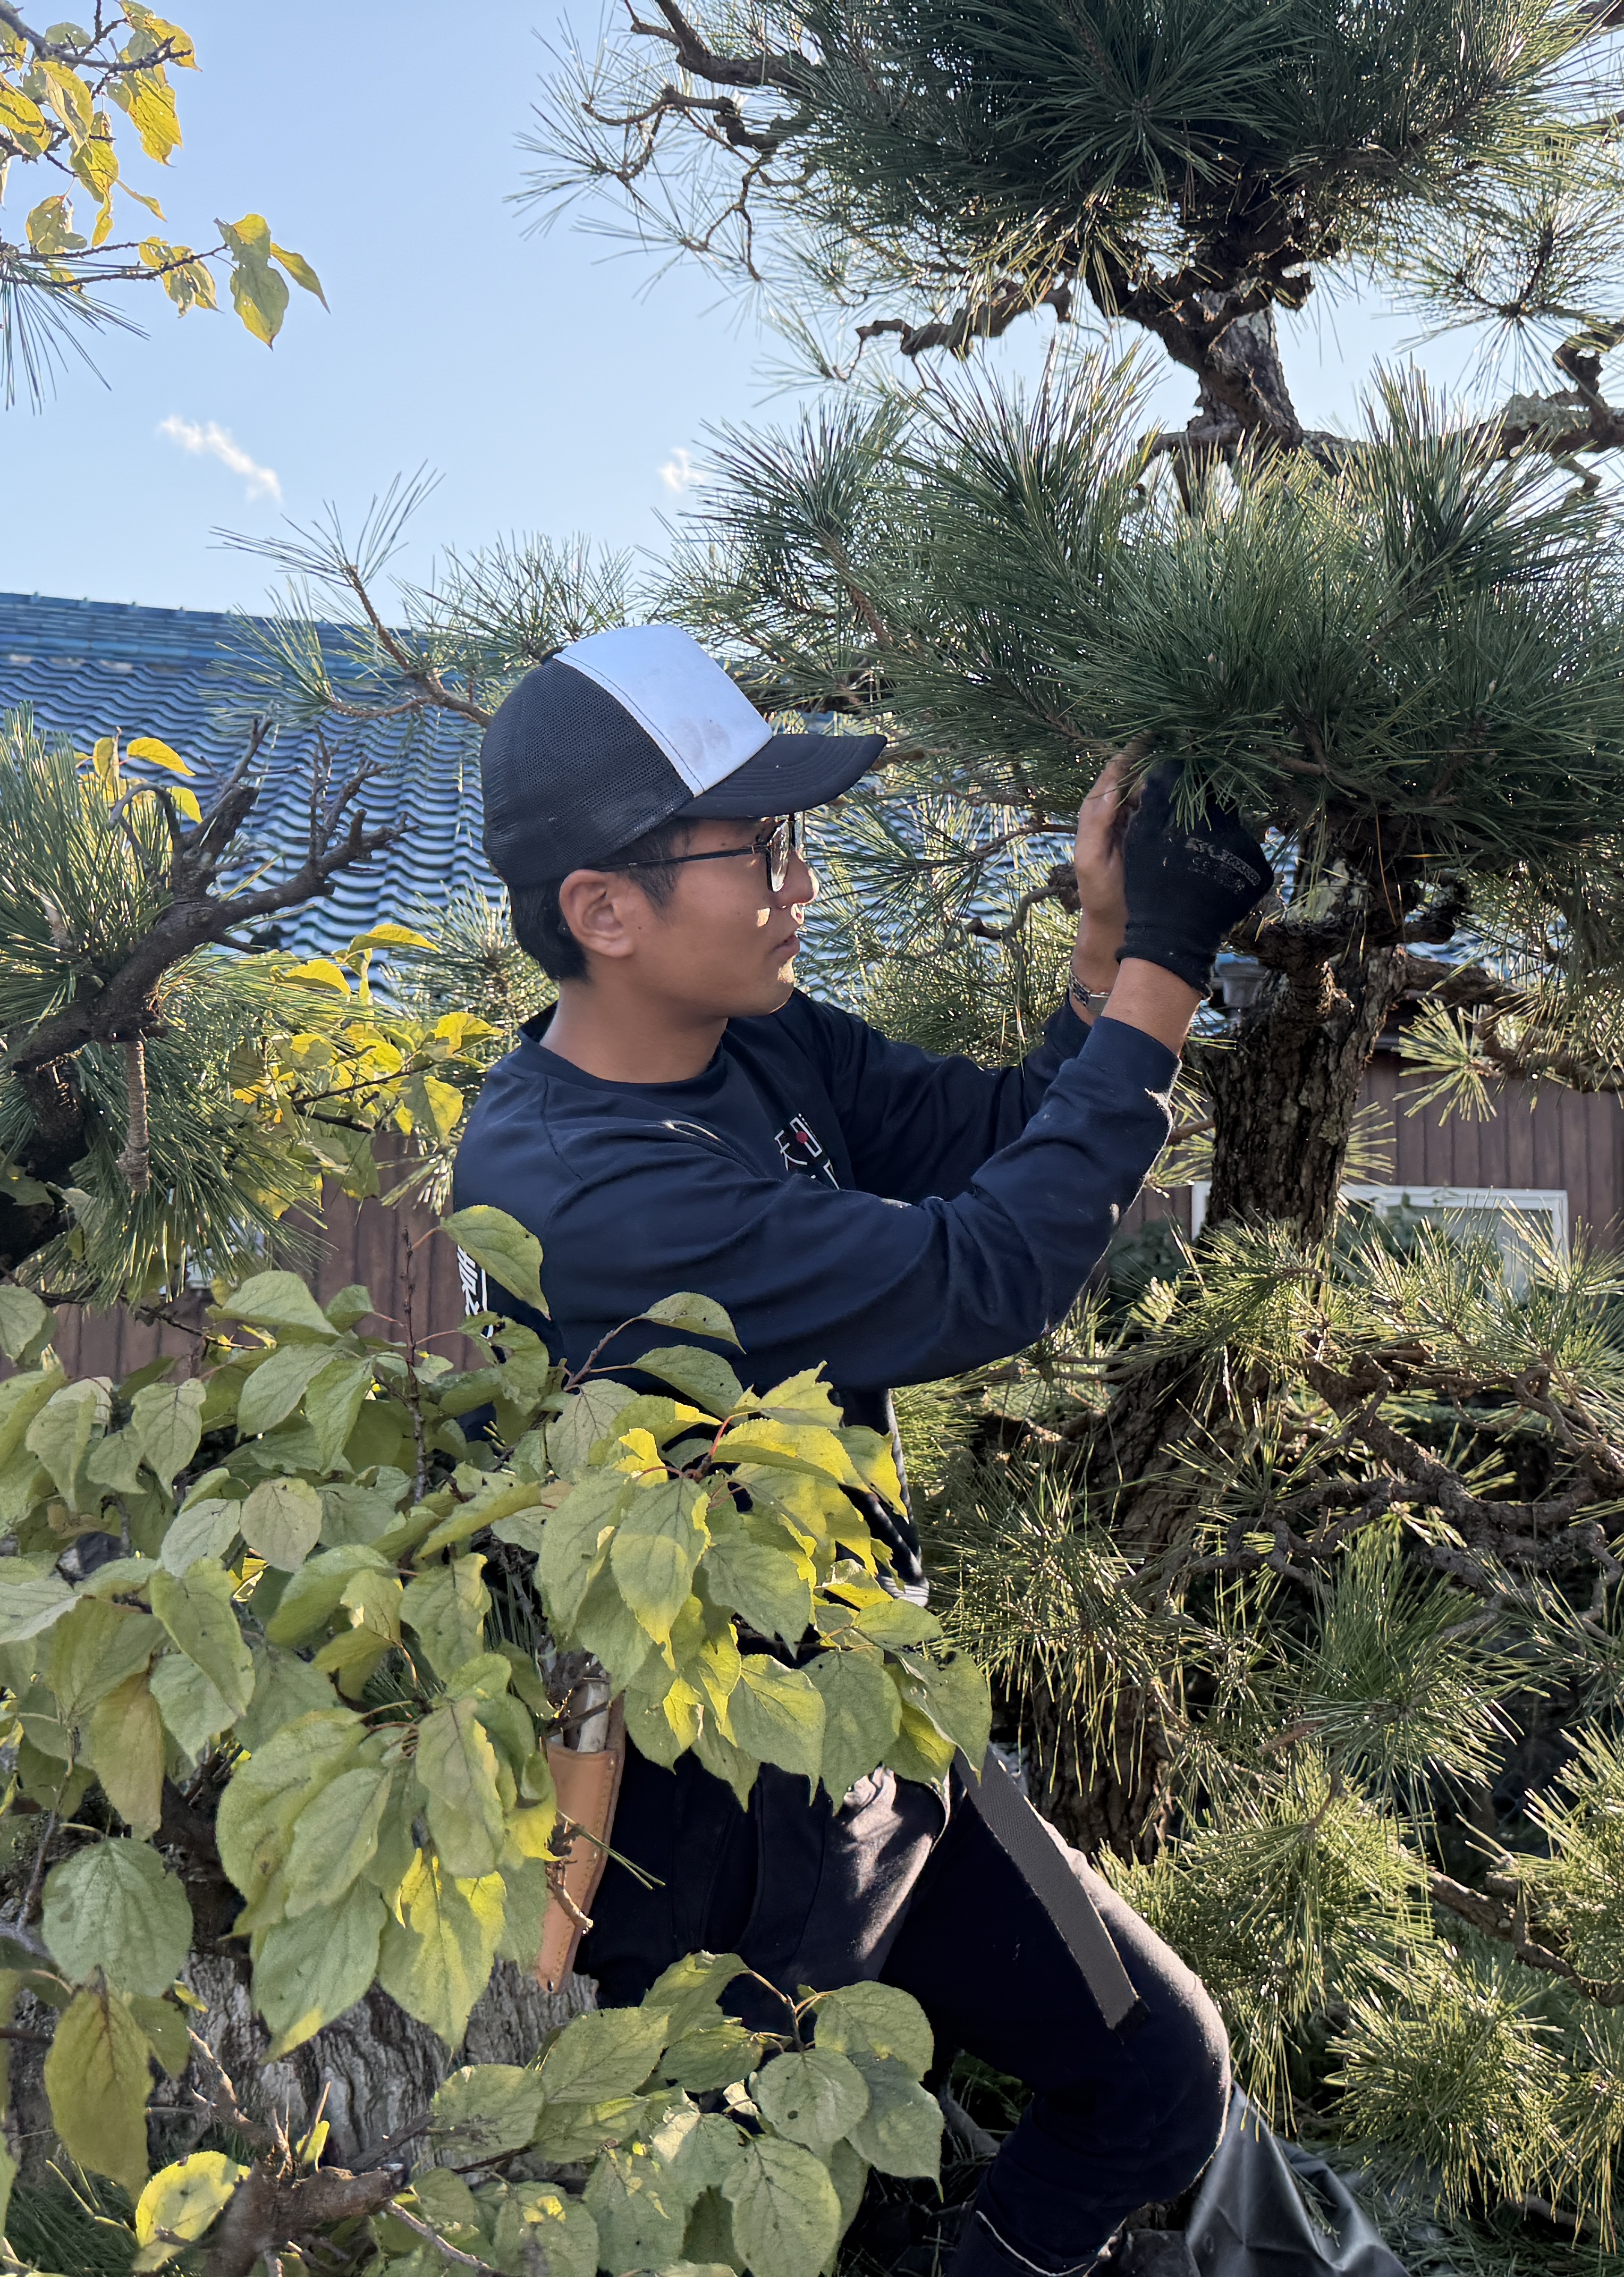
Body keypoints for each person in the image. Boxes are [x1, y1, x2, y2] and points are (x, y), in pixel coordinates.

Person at [449, 623, 1274, 2276]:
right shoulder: (586, 1194)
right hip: (707, 1821)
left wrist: (1108, 940)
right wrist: (1170, 972)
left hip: (871, 1722)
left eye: (790, 838)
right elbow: (985, 1271)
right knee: (779, 2214)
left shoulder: (760, 1041)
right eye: (751, 849)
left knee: (1156, 2077)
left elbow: (990, 1139)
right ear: (603, 912)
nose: (797, 883)